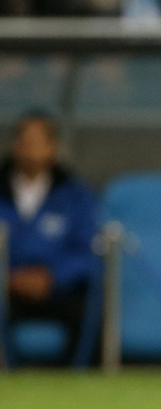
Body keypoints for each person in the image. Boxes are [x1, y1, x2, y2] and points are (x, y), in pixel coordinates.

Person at [0, 112, 100, 365]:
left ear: (53, 148)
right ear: (15, 146)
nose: (31, 148)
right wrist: (10, 279)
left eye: (39, 141)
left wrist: (52, 277)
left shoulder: (74, 194)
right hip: (7, 289)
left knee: (89, 309)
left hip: (59, 290)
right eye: (25, 141)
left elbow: (88, 251)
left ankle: (74, 383)